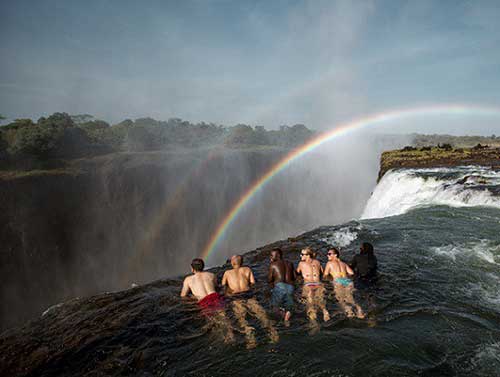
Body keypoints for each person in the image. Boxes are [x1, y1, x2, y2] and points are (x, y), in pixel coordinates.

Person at [222, 255, 278, 348]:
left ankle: (251, 338)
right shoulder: (247, 269)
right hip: (248, 294)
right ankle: (273, 332)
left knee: (241, 319)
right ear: (242, 262)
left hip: (236, 297)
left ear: (232, 263)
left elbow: (223, 286)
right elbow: (253, 283)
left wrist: (227, 294)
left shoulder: (227, 273)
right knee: (261, 314)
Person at [180, 258, 234, 342]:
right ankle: (231, 334)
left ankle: (222, 339)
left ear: (192, 268)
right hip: (215, 296)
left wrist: (193, 297)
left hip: (204, 301)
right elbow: (216, 287)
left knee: (212, 320)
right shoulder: (211, 275)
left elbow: (183, 296)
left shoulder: (188, 280)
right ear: (203, 266)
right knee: (224, 316)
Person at [324, 247, 364, 318]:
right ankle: (359, 310)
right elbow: (351, 273)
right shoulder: (343, 263)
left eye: (329, 254)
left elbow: (325, 275)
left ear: (335, 255)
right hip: (348, 281)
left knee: (341, 299)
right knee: (350, 298)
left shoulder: (329, 263)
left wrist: (329, 279)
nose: (327, 255)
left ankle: (349, 312)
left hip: (338, 281)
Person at [296, 247, 330, 326]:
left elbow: (297, 272)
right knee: (320, 299)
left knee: (310, 304)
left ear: (308, 255)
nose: (300, 256)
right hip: (318, 284)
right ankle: (325, 311)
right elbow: (322, 273)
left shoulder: (301, 263)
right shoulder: (318, 262)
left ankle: (314, 323)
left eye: (302, 254)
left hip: (308, 285)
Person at [268, 248, 296, 322]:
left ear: (278, 255)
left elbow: (269, 280)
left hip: (280, 286)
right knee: (288, 305)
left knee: (274, 307)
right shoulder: (290, 263)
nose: (270, 257)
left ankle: (283, 316)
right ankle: (287, 314)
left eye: (271, 255)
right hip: (291, 287)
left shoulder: (273, 265)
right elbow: (294, 277)